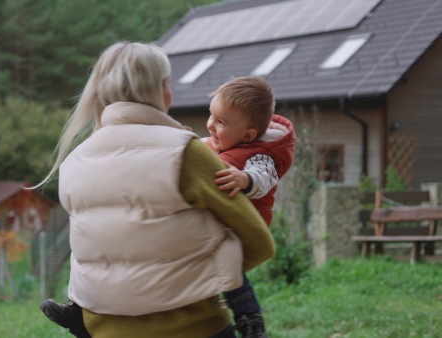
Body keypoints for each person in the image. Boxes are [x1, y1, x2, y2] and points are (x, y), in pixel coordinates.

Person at [34, 41, 275, 338]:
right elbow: (258, 242)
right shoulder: (186, 153)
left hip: (103, 330)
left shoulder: (74, 162)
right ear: (162, 90)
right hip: (192, 328)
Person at [204, 76, 296, 337]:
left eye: (220, 122)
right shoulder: (222, 141)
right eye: (211, 116)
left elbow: (265, 179)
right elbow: (195, 149)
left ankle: (249, 317)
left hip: (245, 226)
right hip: (223, 222)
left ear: (248, 135)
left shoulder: (261, 154)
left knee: (229, 265)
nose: (211, 125)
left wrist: (245, 179)